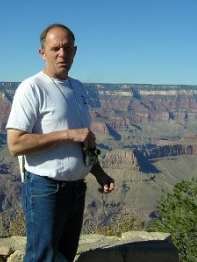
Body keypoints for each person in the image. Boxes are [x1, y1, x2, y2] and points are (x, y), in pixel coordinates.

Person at [6, 23, 115, 262]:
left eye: (67, 48)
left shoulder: (78, 88)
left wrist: (98, 172)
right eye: (55, 48)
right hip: (45, 189)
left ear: (75, 51)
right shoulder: (31, 88)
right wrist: (67, 134)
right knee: (42, 257)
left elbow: (84, 139)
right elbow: (15, 145)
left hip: (77, 188)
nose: (62, 54)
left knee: (65, 256)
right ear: (42, 53)